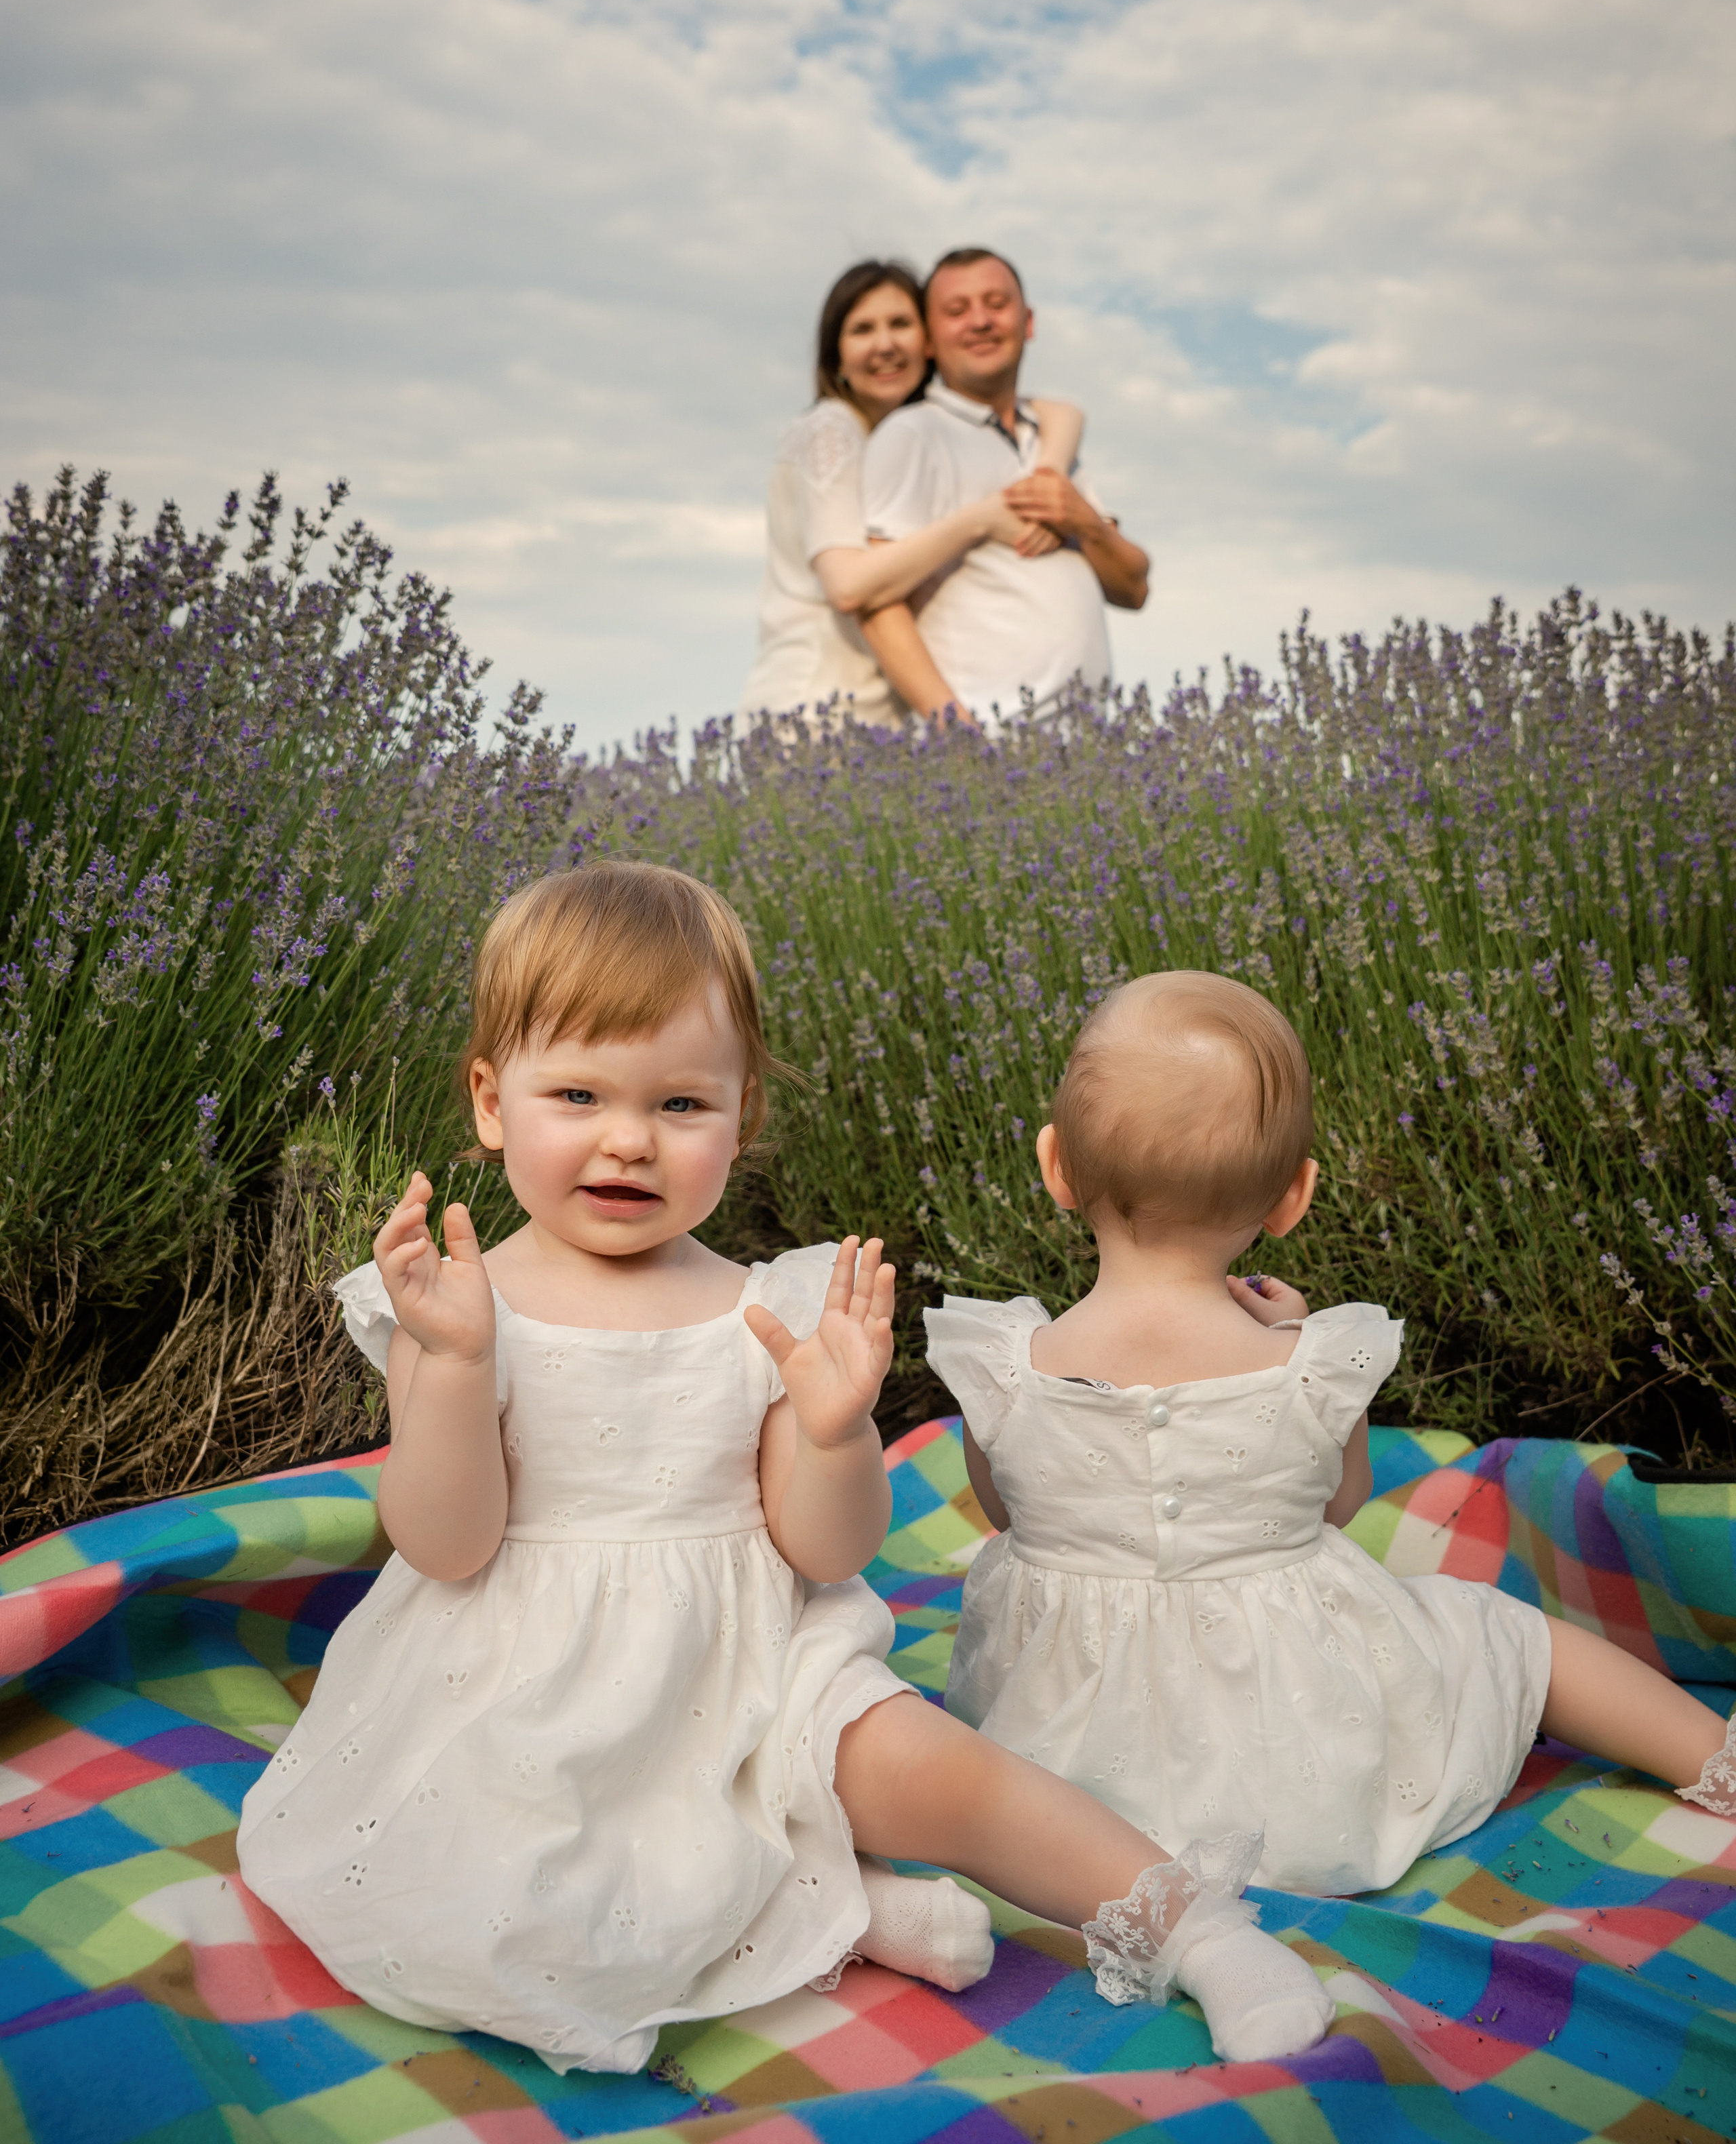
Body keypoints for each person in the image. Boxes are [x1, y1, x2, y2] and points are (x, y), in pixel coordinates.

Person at [236, 865, 1339, 2073]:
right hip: (520, 1674)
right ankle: (848, 1910)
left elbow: (826, 1550)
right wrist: (450, 1369)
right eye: (577, 1092)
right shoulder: (462, 1303)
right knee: (515, 1872)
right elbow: (446, 1542)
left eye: (681, 1102)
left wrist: (831, 1428)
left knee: (944, 1772)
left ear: (744, 1114)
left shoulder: (762, 1306)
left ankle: (1195, 1927)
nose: (627, 1136)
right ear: (493, 1101)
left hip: (754, 1657)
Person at [927, 970, 1736, 1898]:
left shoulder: (1008, 1363)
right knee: (1508, 1638)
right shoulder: (1312, 1363)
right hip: (1303, 1759)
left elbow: (1005, 1512)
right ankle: (1715, 1760)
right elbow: (1339, 1503)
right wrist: (1287, 1339)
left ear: (1054, 1167)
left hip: (1065, 1793)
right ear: (1294, 1198)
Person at [741, 259, 1084, 729]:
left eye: (900, 324)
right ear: (836, 357)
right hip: (818, 710)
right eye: (862, 330)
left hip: (880, 719)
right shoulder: (832, 429)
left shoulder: (900, 438)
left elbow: (1062, 412)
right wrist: (980, 520)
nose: (884, 345)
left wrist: (1051, 471)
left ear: (927, 343)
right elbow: (847, 587)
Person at [861, 249, 1149, 723]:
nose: (980, 321)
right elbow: (878, 601)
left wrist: (1087, 525)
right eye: (957, 311)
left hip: (1090, 754)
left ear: (1028, 321)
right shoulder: (914, 434)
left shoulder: (1050, 439)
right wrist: (960, 735)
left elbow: (1133, 590)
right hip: (993, 754)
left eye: (997, 304)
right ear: (929, 340)